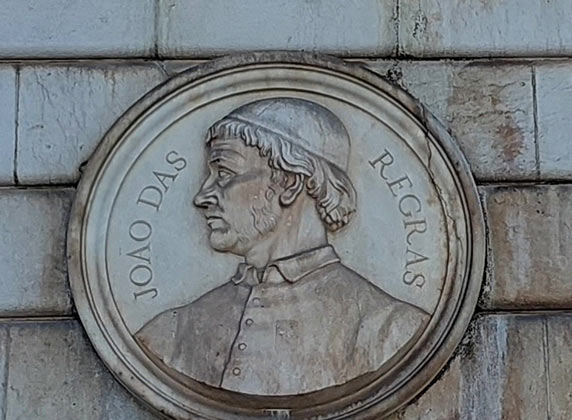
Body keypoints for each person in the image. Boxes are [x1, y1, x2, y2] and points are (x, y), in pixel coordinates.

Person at [135, 97, 429, 396]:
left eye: (224, 174)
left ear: (289, 183)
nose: (202, 196)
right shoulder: (169, 335)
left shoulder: (393, 330)